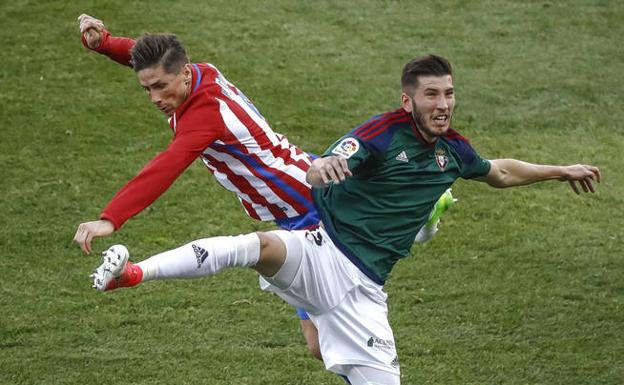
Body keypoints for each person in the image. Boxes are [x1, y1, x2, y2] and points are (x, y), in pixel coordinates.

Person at [84, 54, 600, 384]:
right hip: (320, 244)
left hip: (362, 288)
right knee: (254, 248)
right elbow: (338, 157)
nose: (442, 104)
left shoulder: (456, 152)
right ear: (408, 100)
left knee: (326, 349)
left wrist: (560, 170)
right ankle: (132, 275)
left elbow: (501, 172)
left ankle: (425, 213)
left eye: (448, 94)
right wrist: (326, 164)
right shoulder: (381, 133)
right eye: (431, 95)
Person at [72, 14, 452, 373]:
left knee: (345, 331)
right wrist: (104, 43)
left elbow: (165, 167)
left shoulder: (205, 115)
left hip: (311, 206)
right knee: (320, 345)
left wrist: (110, 218)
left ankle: (415, 215)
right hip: (298, 197)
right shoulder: (197, 73)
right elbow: (150, 57)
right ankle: (417, 213)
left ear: (184, 75)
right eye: (147, 88)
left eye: (161, 87)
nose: (155, 97)